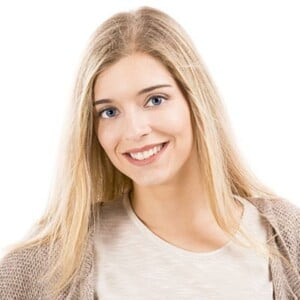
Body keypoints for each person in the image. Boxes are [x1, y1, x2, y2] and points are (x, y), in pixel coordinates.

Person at [0, 5, 299, 300]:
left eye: (155, 100)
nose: (133, 130)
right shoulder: (50, 262)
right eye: (109, 111)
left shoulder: (286, 237)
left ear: (195, 102)